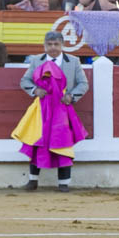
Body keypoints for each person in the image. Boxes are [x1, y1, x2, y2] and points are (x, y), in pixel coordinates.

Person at [19, 31, 88, 192]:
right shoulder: (37, 61)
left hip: (63, 109)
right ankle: (33, 180)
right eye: (49, 44)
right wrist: (35, 90)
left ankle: (64, 183)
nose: (53, 48)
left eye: (56, 44)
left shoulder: (73, 61)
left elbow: (83, 84)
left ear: (62, 45)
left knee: (64, 143)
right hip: (42, 110)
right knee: (37, 142)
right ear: (44, 45)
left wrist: (71, 96)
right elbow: (25, 81)